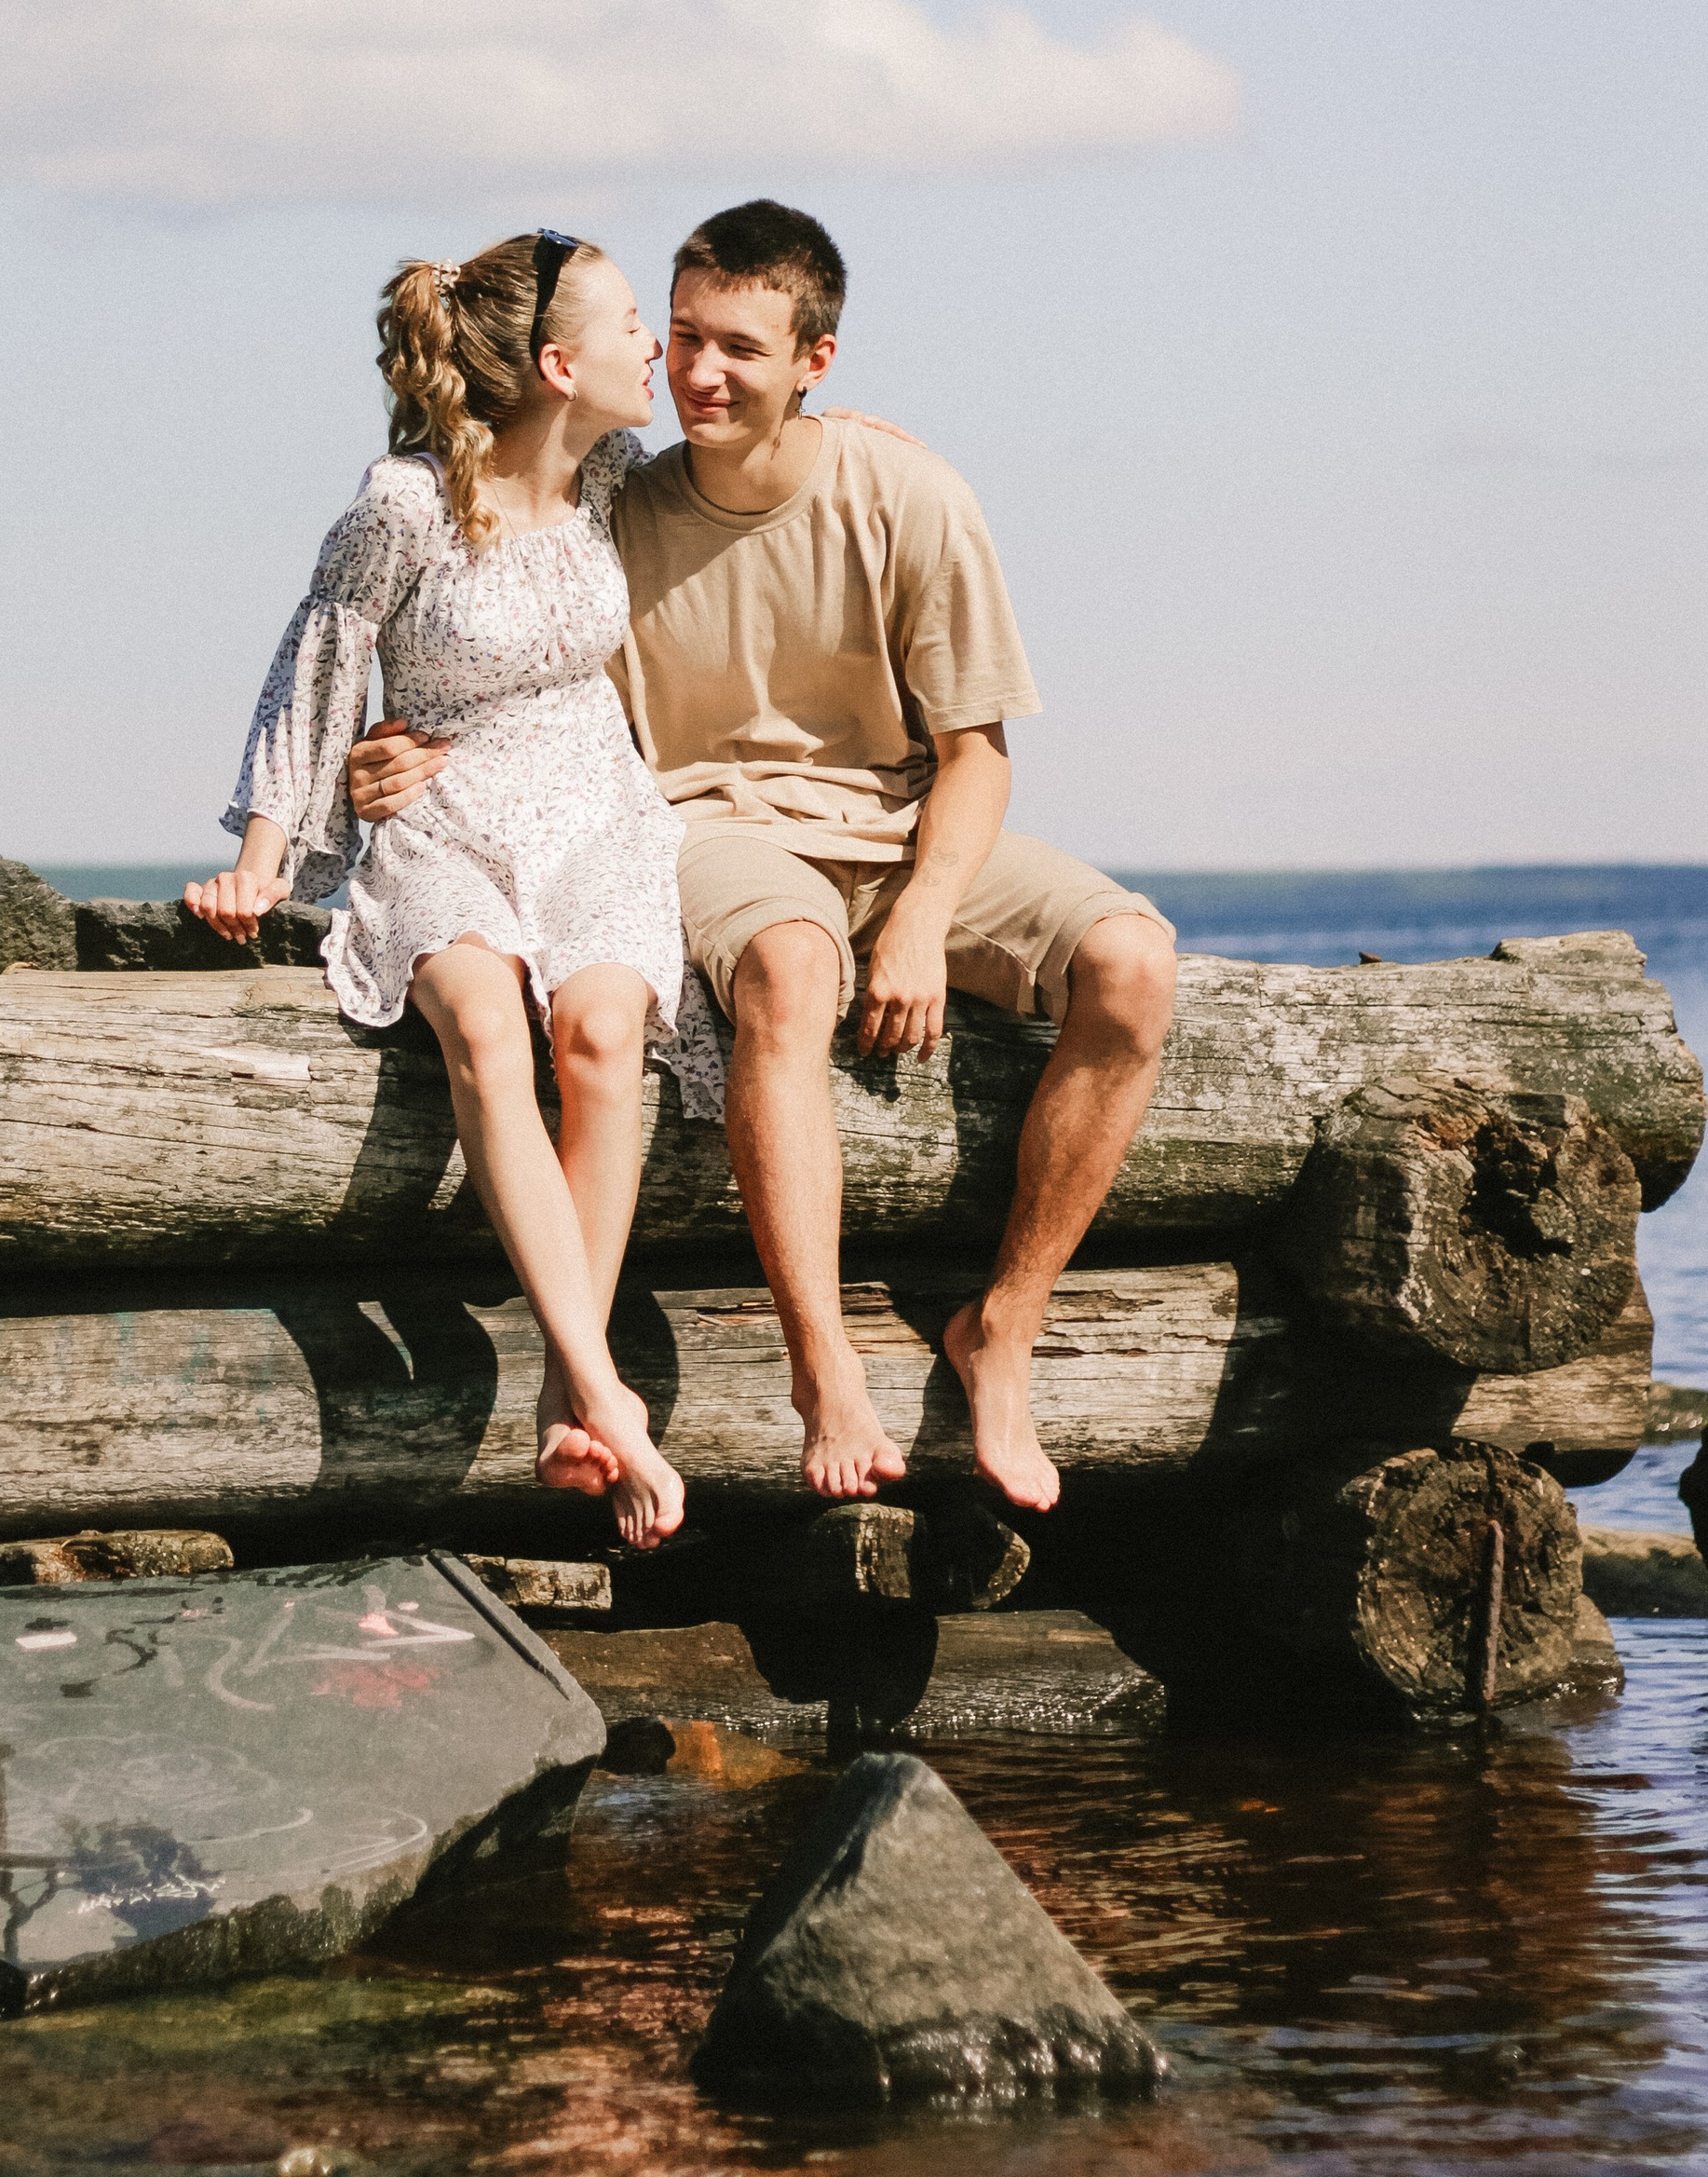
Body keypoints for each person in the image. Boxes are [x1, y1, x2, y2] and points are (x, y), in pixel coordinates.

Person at [350, 197, 1180, 1515]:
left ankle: (1002, 1332)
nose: (698, 373)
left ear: (818, 361)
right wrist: (398, 751)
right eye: (679, 337)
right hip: (710, 832)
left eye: (740, 346)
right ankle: (824, 1372)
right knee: (794, 975)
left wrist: (921, 916)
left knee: (1135, 965)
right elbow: (484, 617)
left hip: (898, 831)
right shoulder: (620, 498)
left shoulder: (910, 492)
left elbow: (978, 754)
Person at [183, 228, 689, 1548]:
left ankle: (558, 1390)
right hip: (444, 813)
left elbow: (761, 478)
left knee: (600, 1036)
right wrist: (262, 856)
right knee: (479, 1017)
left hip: (596, 806)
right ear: (559, 362)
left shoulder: (615, 472)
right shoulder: (404, 503)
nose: (659, 347)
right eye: (636, 323)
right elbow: (318, 657)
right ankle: (602, 1390)